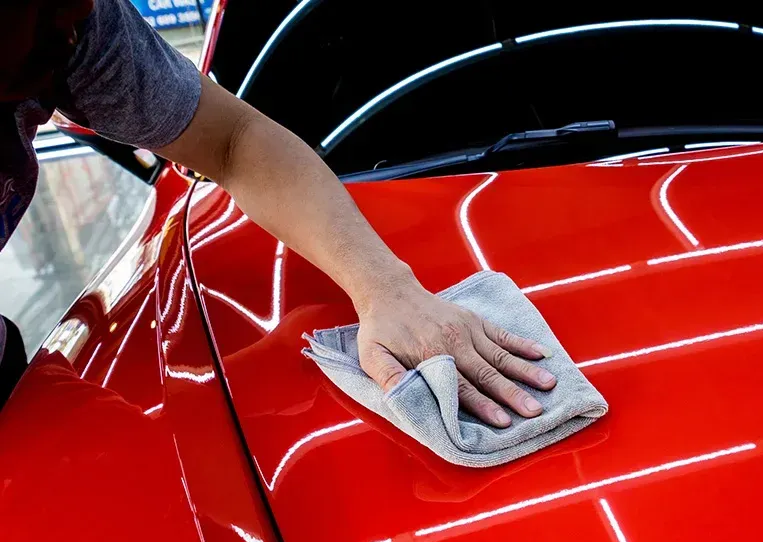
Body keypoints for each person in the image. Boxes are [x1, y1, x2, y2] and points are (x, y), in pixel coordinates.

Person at [0, 0, 556, 425]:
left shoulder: (67, 25)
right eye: (47, 19)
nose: (73, 35)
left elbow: (234, 142)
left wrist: (387, 287)